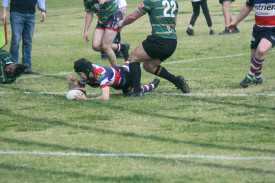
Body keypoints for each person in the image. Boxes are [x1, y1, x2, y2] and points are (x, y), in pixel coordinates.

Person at [118, 0, 190, 97]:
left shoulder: (152, 1)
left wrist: (121, 24)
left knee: (133, 58)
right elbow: (174, 22)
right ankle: (177, 81)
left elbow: (132, 17)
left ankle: (137, 91)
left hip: (159, 40)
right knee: (149, 66)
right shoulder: (174, 2)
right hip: (172, 42)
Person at [228, 0, 275, 88]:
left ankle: (249, 77)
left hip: (272, 29)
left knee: (261, 50)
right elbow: (248, 7)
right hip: (258, 29)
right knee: (254, 58)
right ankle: (258, 78)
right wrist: (235, 22)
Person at [66, 58, 160, 100]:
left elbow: (105, 97)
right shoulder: (85, 74)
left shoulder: (100, 74)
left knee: (132, 91)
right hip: (117, 73)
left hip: (126, 79)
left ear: (86, 71)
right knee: (125, 66)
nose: (79, 76)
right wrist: (71, 83)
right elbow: (74, 89)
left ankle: (153, 85)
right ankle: (129, 58)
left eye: (80, 74)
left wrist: (86, 99)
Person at [1, 0, 46, 74]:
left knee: (28, 41)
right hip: (16, 13)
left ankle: (27, 67)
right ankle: (13, 67)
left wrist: (43, 10)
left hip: (31, 14)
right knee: (16, 40)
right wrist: (4, 11)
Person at [83, 0, 130, 65]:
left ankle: (116, 70)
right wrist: (86, 31)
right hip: (102, 19)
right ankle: (122, 47)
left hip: (113, 15)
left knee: (105, 47)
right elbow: (89, 12)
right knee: (96, 46)